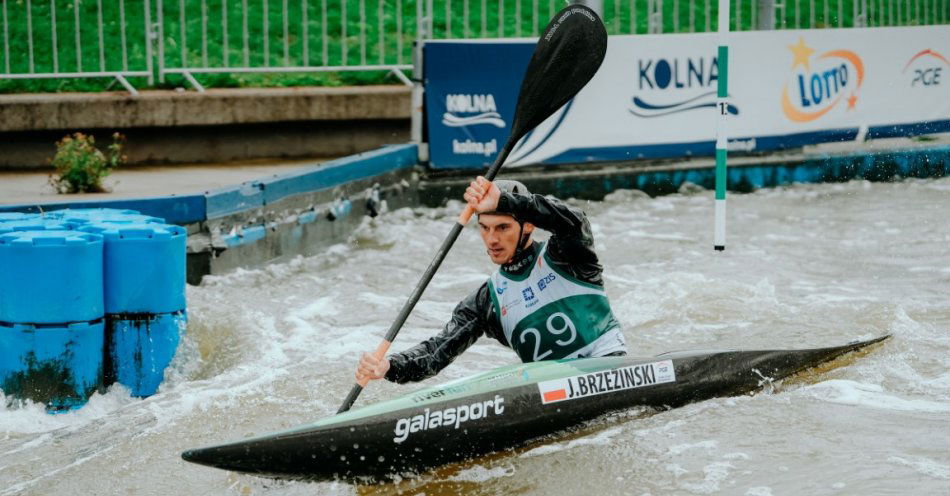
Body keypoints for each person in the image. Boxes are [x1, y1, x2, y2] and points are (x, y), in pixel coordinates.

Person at [356, 177, 627, 384]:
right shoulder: (486, 301)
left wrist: (507, 202)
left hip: (610, 370)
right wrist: (389, 367)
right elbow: (437, 352)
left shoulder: (566, 256)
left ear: (528, 225)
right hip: (551, 391)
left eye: (503, 227)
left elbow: (573, 222)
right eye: (484, 228)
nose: (492, 239)